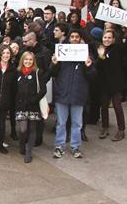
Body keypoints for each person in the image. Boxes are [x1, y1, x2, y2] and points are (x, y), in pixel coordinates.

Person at [50, 30, 96, 159]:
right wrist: (54, 63)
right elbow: (53, 73)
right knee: (61, 122)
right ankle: (59, 146)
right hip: (62, 94)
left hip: (78, 95)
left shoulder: (87, 56)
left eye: (77, 37)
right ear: (69, 39)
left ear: (81, 39)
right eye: (72, 37)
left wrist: (89, 66)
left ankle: (75, 147)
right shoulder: (61, 54)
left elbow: (93, 77)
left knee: (77, 123)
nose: (74, 39)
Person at [15, 52, 47, 163]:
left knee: (32, 129)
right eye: (26, 59)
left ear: (33, 61)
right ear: (22, 60)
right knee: (22, 129)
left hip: (33, 106)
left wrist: (34, 99)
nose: (28, 62)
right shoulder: (17, 72)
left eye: (30, 60)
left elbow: (43, 90)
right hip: (20, 106)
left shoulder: (38, 73)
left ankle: (29, 152)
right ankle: (22, 145)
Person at [96, 29, 126, 141]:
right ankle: (105, 128)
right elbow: (97, 66)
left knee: (117, 106)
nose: (107, 40)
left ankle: (121, 130)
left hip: (116, 83)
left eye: (109, 38)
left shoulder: (118, 48)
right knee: (103, 106)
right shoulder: (100, 49)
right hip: (104, 83)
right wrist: (100, 56)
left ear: (113, 39)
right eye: (105, 37)